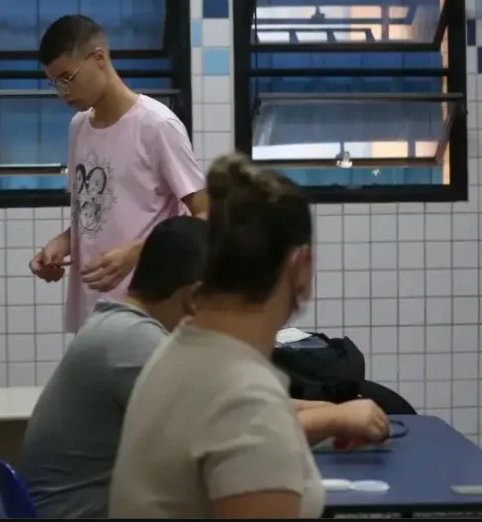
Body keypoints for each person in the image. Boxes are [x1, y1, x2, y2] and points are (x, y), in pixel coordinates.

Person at [22, 215, 391, 519]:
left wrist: (336, 410)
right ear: (194, 298)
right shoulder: (131, 344)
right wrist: (336, 420)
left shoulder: (123, 327)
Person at [109, 154, 391, 519]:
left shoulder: (177, 354)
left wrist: (332, 416)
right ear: (299, 266)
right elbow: (245, 420)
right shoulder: (246, 398)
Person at [27, 14, 208, 333]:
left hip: (148, 313)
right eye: (55, 82)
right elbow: (94, 215)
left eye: (67, 77)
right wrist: (62, 244)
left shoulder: (157, 126)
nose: (63, 92)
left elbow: (206, 216)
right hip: (92, 312)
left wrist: (137, 252)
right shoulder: (78, 128)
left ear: (99, 58)